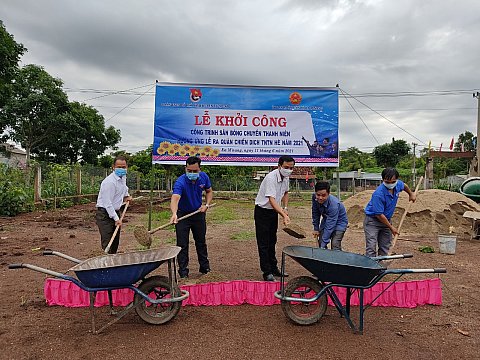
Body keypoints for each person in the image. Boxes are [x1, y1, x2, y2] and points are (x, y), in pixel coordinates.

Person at [170, 156, 213, 279]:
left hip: (198, 213)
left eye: (195, 171)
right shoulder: (180, 182)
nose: (192, 173)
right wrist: (174, 213)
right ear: (185, 168)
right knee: (182, 244)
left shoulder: (204, 177)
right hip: (183, 215)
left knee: (201, 242)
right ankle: (183, 272)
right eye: (189, 171)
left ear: (200, 169)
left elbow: (209, 191)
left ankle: (205, 268)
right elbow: (175, 198)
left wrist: (207, 205)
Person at [254, 155, 294, 281]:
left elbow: (286, 193)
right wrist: (283, 214)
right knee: (263, 243)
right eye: (286, 167)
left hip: (273, 212)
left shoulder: (286, 178)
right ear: (279, 166)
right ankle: (267, 272)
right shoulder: (271, 177)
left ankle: (274, 268)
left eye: (291, 167)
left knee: (272, 241)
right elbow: (271, 199)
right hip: (262, 211)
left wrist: (285, 209)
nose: (288, 169)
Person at [364, 167, 416, 257]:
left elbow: (404, 186)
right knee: (371, 247)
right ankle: (371, 268)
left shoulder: (398, 185)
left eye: (393, 182)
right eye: (387, 182)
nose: (391, 184)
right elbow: (379, 215)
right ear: (383, 180)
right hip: (373, 221)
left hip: (386, 220)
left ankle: (382, 267)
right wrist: (391, 228)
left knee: (385, 247)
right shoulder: (378, 194)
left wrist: (411, 194)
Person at [95, 155, 132, 254]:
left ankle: (113, 262)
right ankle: (106, 264)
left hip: (115, 212)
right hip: (104, 214)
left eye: (123, 167)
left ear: (126, 167)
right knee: (108, 241)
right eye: (119, 167)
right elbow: (107, 203)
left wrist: (126, 196)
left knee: (115, 241)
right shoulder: (109, 182)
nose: (121, 169)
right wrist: (116, 219)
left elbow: (123, 188)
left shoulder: (123, 178)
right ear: (113, 167)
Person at [312, 181, 348, 250]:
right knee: (321, 241)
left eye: (323, 195)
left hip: (340, 222)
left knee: (335, 244)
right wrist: (316, 228)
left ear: (328, 194)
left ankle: (337, 260)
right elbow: (315, 212)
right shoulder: (314, 197)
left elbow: (330, 226)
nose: (320, 198)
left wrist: (323, 245)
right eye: (318, 195)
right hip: (326, 219)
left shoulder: (334, 205)